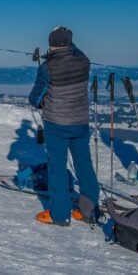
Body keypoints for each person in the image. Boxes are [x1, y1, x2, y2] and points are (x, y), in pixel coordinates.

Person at [27, 26, 99, 226]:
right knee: (84, 164)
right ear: (70, 43)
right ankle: (89, 210)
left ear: (51, 44)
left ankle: (60, 214)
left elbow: (35, 98)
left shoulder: (47, 67)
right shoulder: (83, 61)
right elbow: (75, 50)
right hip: (80, 122)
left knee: (57, 167)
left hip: (57, 123)